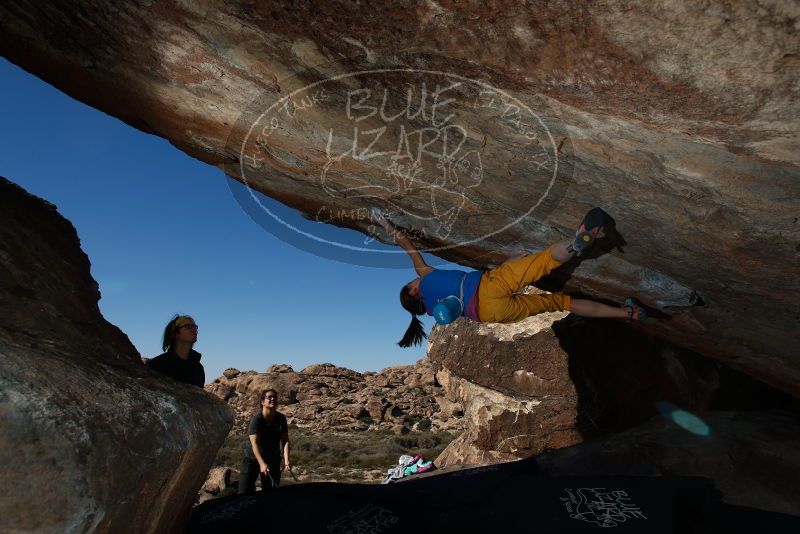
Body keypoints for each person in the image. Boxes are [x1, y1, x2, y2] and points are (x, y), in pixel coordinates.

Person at [386, 207, 647, 347]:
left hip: (493, 314)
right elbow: (408, 246)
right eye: (411, 283)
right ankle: (574, 245)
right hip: (487, 287)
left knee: (562, 304)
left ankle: (629, 313)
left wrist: (508, 264)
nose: (414, 281)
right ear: (412, 291)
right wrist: (389, 227)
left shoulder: (435, 309)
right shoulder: (425, 277)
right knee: (545, 260)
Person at [238, 388, 293, 494]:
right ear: (262, 402)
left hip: (272, 458)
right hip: (253, 458)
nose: (273, 399)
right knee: (243, 492)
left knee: (270, 493)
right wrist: (262, 463)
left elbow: (285, 440)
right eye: (269, 397)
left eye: (274, 397)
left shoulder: (281, 418)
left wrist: (287, 460)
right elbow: (254, 444)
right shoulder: (257, 419)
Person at [146, 315, 206, 386]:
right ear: (175, 334)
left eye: (194, 326)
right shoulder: (158, 364)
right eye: (188, 326)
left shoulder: (198, 369)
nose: (194, 330)